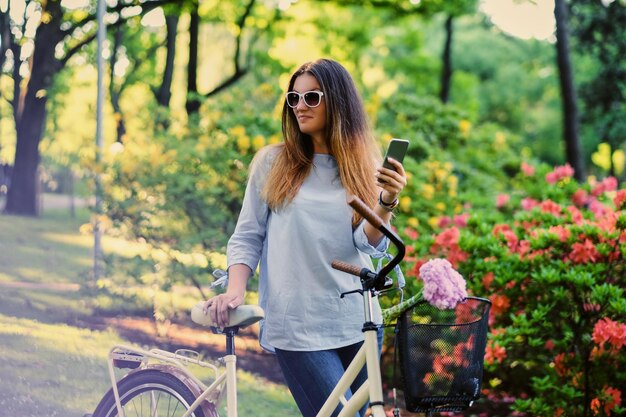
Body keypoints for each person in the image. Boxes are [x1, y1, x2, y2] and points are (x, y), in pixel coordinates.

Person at [204, 58, 407, 417]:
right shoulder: (273, 163)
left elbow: (366, 243)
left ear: (339, 102)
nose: (299, 106)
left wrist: (387, 201)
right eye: (293, 98)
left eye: (312, 97)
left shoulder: (363, 166)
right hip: (297, 323)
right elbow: (248, 236)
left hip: (359, 322)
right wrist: (235, 290)